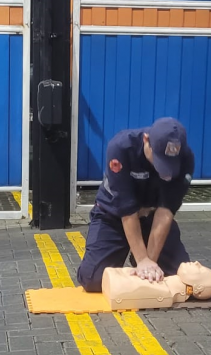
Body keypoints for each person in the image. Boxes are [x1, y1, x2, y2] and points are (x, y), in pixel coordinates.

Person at [77, 117, 195, 292]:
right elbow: (127, 210)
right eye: (158, 158)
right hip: (113, 216)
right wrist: (142, 259)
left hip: (152, 217)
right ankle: (135, 255)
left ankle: (140, 257)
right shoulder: (121, 148)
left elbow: (165, 212)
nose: (160, 168)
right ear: (146, 140)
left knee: (177, 274)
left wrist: (150, 264)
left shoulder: (185, 159)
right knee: (93, 280)